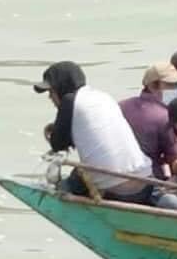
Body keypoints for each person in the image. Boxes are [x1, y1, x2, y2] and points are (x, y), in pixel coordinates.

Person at [35, 61, 153, 204]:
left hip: (116, 190)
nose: (50, 98)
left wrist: (53, 130)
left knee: (67, 184)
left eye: (51, 92)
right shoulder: (103, 97)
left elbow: (57, 144)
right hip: (146, 182)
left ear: (61, 88)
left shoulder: (69, 100)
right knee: (79, 173)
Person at [119, 62, 177, 180]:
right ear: (153, 85)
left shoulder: (120, 106)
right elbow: (175, 160)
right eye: (171, 85)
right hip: (149, 180)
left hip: (116, 174)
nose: (176, 89)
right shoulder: (165, 117)